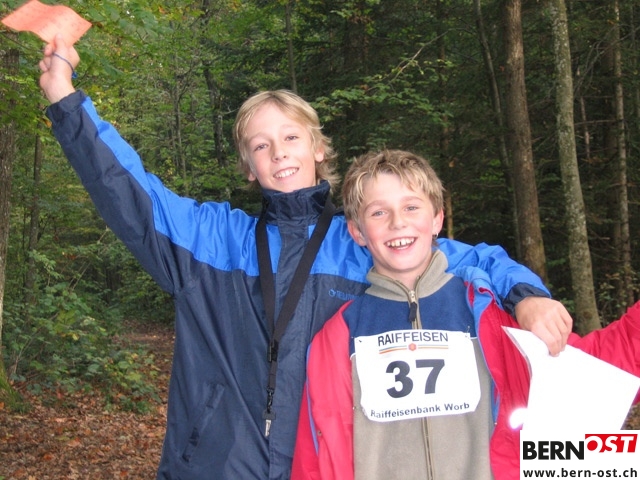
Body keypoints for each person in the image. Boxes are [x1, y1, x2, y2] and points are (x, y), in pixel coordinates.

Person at [38, 35, 572, 480]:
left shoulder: (364, 240)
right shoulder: (213, 239)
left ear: (317, 148)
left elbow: (475, 260)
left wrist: (527, 297)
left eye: (291, 136)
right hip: (216, 462)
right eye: (261, 145)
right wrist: (65, 96)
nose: (279, 152)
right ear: (249, 167)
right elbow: (129, 191)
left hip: (322, 463)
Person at [291, 149, 640, 480]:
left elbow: (596, 368)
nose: (398, 222)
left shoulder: (488, 313)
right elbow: (314, 460)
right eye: (378, 213)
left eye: (411, 207)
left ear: (437, 219)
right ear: (357, 231)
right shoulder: (337, 337)